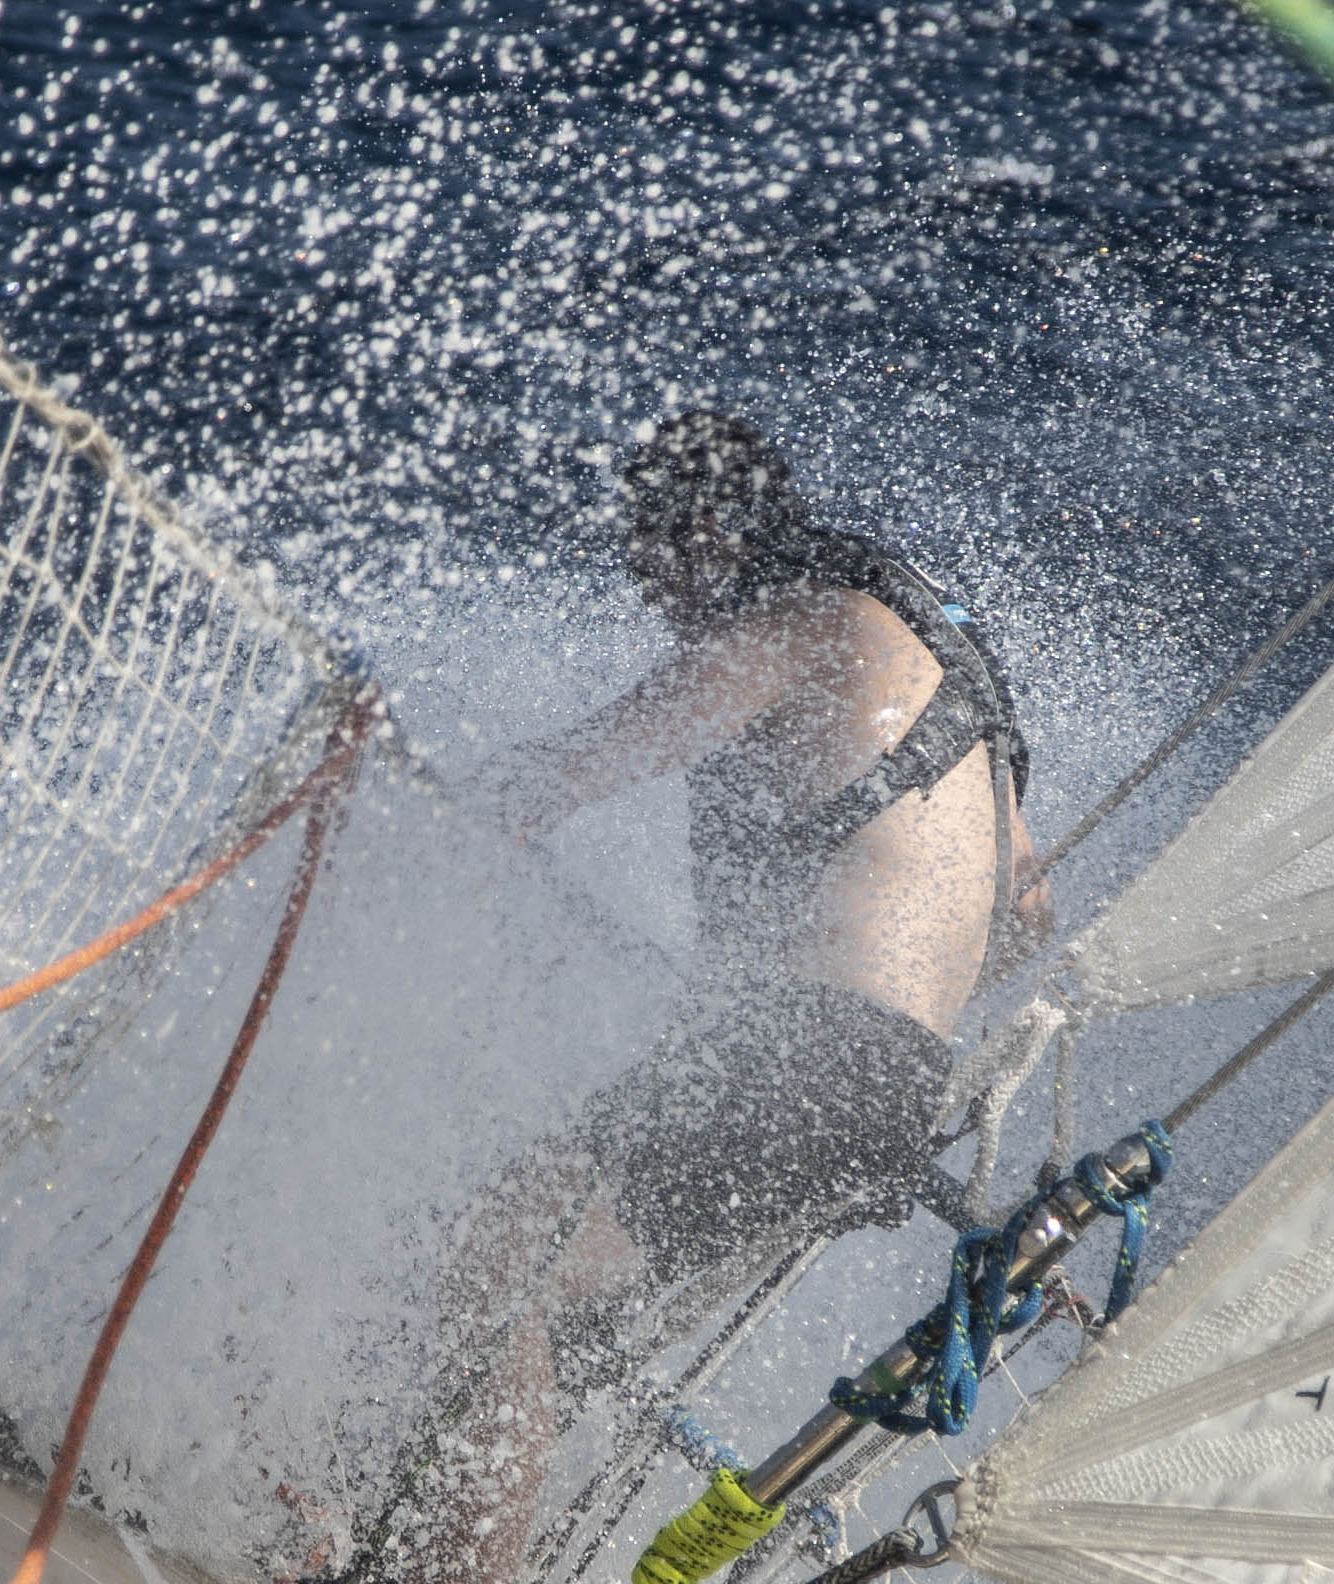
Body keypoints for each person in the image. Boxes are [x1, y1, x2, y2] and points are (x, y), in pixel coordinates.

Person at [411, 412, 1050, 1582]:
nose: (652, 602)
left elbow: (581, 766)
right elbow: (1025, 920)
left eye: (649, 568)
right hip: (882, 1089)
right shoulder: (936, 658)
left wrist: (405, 806)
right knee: (551, 1285)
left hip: (804, 1061)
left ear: (703, 533)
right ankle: (410, 1543)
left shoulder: (801, 616)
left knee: (501, 1266)